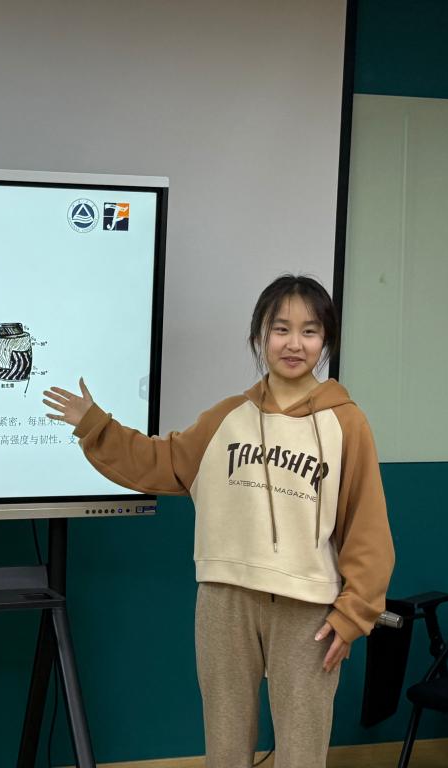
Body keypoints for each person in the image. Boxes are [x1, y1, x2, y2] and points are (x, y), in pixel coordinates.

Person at [43, 274, 394, 768]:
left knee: (302, 749)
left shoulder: (347, 423)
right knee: (225, 745)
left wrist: (354, 613)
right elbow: (160, 461)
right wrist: (96, 425)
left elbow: (367, 526)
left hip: (308, 610)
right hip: (224, 598)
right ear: (260, 336)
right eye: (281, 329)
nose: (294, 343)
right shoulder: (228, 417)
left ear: (326, 341)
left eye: (310, 331)